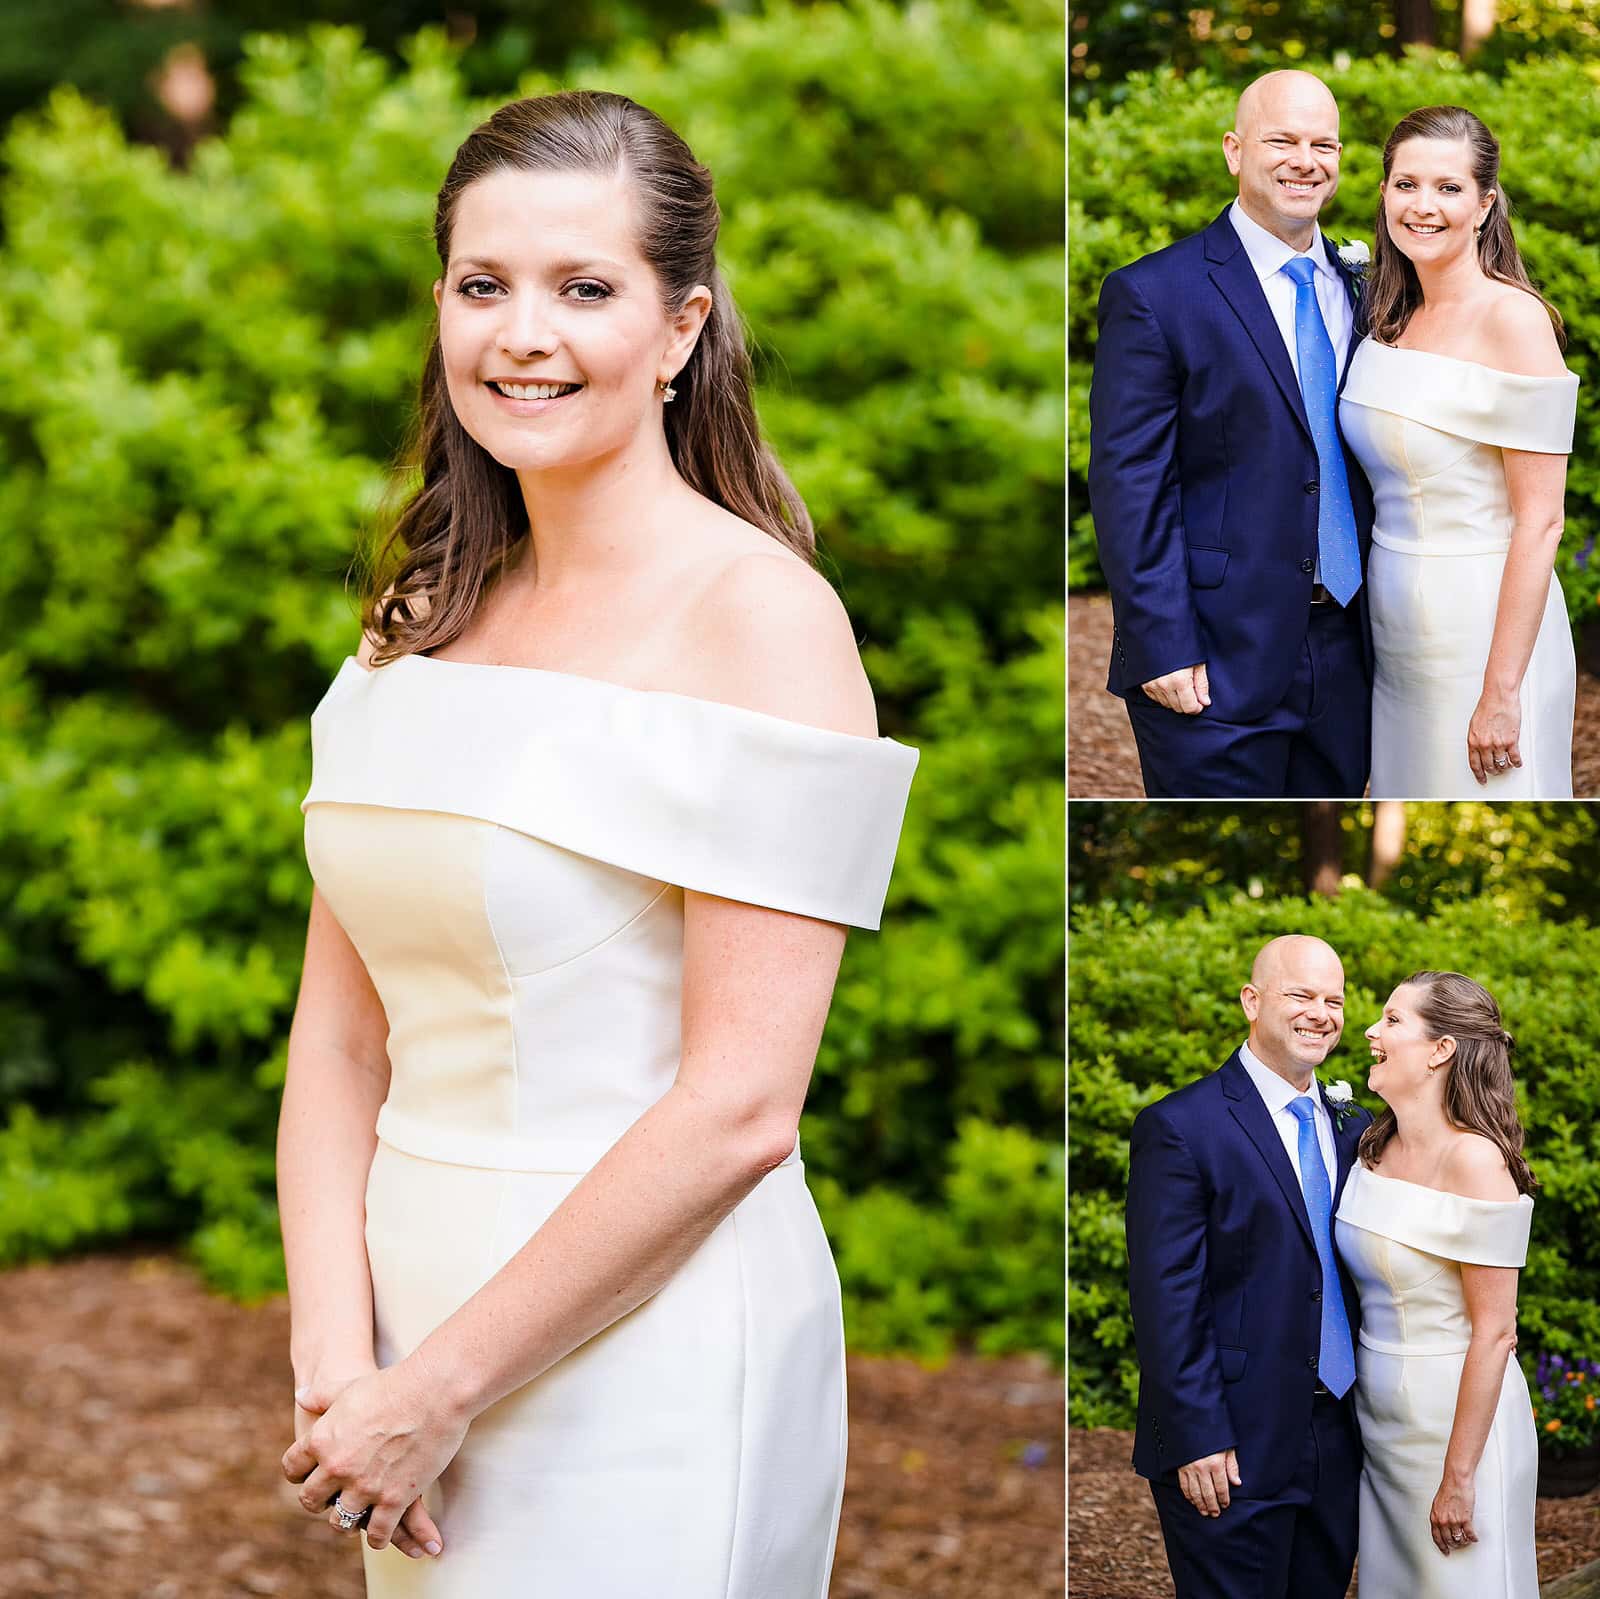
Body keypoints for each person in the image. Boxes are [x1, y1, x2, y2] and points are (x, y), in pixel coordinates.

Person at [274, 90, 919, 1595]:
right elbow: (339, 1038)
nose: (522, 334)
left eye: (585, 289)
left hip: (650, 1345)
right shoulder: (415, 623)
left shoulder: (763, 622)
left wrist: (441, 1388)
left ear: (682, 325)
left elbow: (744, 1103)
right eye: (482, 284)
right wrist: (336, 1353)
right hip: (395, 1337)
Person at [1087, 70, 1375, 799]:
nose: (1305, 159)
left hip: (1349, 652)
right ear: (1233, 150)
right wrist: (1160, 643)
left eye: (1324, 144)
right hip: (1214, 656)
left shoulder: (1367, 288)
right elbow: (1130, 483)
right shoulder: (1154, 294)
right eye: (1282, 140)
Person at [1339, 105, 1579, 798]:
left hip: (1485, 626)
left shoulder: (1514, 320)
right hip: (1392, 627)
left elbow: (1541, 521)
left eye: (1448, 188)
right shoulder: (1389, 315)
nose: (1423, 205)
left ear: (1484, 203)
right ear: (1383, 192)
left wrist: (1500, 691)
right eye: (1406, 184)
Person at [1125, 935, 1373, 1598]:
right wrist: (1196, 1433)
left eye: (1335, 999)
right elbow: (1164, 1297)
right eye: (1301, 994)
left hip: (1339, 1435)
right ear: (1251, 1000)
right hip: (1229, 1441)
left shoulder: (1358, 1127)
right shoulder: (1181, 1125)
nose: (1321, 1012)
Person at [1334, 971, 1538, 1595]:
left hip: (1457, 1424)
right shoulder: (1373, 1145)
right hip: (1378, 1419)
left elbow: (1496, 1332)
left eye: (1393, 1020)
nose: (1371, 1029)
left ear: (1441, 1050)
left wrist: (1458, 1476)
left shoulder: (1476, 1162)